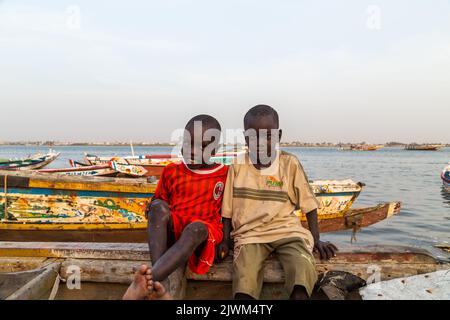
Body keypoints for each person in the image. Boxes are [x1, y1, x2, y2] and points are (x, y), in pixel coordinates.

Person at [218, 104, 338, 300]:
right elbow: (227, 211)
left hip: (288, 232)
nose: (260, 142)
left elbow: (309, 205)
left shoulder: (289, 164)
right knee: (243, 292)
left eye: (267, 136)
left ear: (278, 136)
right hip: (250, 236)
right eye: (254, 137)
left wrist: (316, 239)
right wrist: (225, 240)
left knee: (301, 284)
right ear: (246, 138)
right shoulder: (237, 166)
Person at [123, 114, 229, 299]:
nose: (193, 151)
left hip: (204, 231)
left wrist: (227, 242)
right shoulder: (172, 171)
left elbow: (229, 212)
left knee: (195, 228)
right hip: (177, 228)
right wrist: (154, 205)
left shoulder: (224, 174)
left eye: (202, 147)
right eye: (188, 144)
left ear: (214, 150)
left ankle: (149, 281)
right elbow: (158, 203)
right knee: (158, 207)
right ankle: (158, 282)